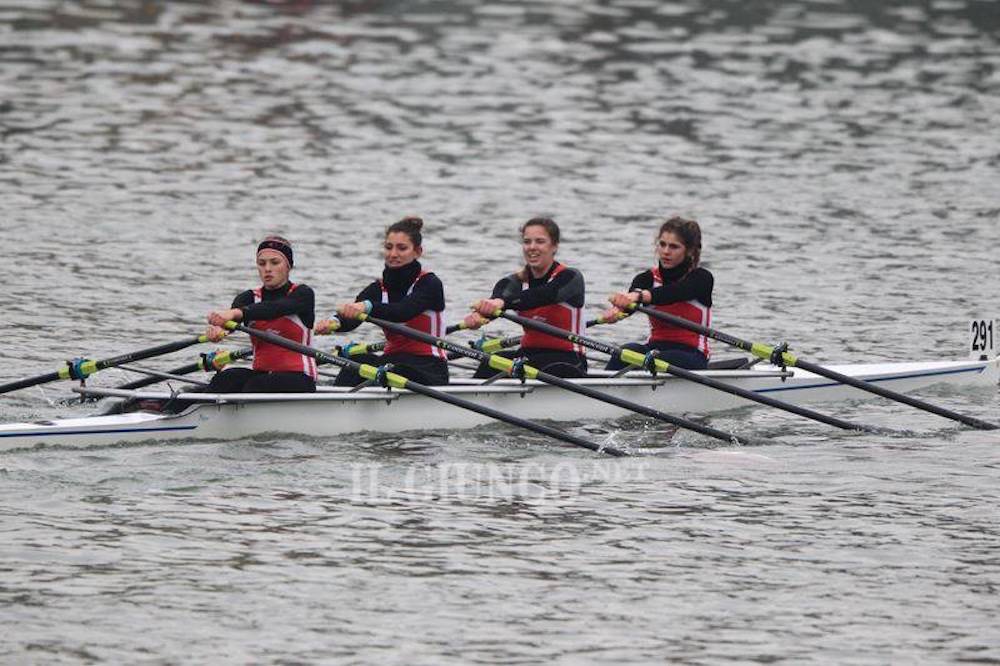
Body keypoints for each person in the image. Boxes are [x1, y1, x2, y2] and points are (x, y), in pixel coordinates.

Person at [315, 216, 449, 386]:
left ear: (417, 252)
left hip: (429, 367)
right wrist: (334, 322)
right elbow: (352, 318)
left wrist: (367, 307)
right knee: (356, 361)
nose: (393, 254)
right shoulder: (378, 288)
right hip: (390, 361)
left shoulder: (429, 283)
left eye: (401, 248)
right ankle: (335, 404)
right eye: (388, 247)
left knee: (390, 370)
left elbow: (402, 312)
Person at [464, 217, 587, 378]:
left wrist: (502, 303)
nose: (532, 247)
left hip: (567, 359)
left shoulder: (570, 277)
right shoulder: (512, 282)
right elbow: (497, 301)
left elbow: (543, 295)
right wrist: (478, 317)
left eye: (540, 241)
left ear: (554, 246)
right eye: (527, 242)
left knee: (546, 368)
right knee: (493, 361)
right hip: (527, 355)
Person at [204, 235, 317, 392]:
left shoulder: (302, 294)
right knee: (227, 377)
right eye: (262, 263)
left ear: (288, 266)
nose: (267, 269)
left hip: (300, 378)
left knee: (257, 385)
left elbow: (275, 309)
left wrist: (236, 313)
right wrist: (218, 330)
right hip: (262, 376)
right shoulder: (248, 297)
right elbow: (229, 325)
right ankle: (172, 410)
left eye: (275, 262)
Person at [601, 216, 712, 371]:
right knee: (625, 351)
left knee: (655, 359)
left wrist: (640, 296)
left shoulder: (701, 278)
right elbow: (630, 307)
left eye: (674, 247)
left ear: (690, 251)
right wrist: (616, 311)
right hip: (654, 349)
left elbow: (673, 293)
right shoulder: (645, 278)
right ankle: (601, 388)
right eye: (662, 244)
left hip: (692, 354)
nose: (666, 251)